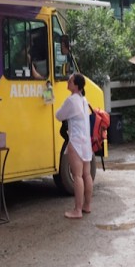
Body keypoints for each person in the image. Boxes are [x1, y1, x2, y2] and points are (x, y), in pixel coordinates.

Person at [55, 73, 92, 218]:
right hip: (86, 143)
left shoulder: (71, 100)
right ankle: (87, 205)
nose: (67, 82)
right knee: (86, 174)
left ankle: (77, 210)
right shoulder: (84, 100)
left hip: (76, 141)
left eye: (70, 81)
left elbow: (59, 115)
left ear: (76, 85)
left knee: (77, 176)